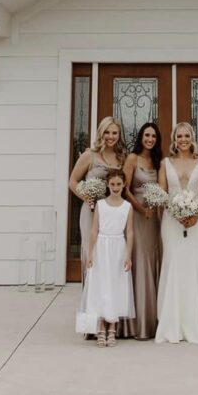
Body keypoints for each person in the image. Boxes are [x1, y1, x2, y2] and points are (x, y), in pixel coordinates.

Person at [154, 122, 198, 344]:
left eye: (186, 135)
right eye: (179, 136)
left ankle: (197, 323)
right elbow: (163, 193)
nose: (183, 139)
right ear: (173, 139)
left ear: (192, 138)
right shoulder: (165, 163)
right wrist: (177, 212)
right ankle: (171, 323)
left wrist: (194, 215)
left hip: (196, 222)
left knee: (195, 265)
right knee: (173, 264)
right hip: (171, 222)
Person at [76, 169, 135, 347]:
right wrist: (91, 253)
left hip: (118, 247)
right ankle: (101, 326)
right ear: (107, 185)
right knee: (101, 285)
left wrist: (128, 255)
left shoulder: (127, 206)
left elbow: (130, 232)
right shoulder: (100, 205)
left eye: (119, 184)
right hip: (102, 247)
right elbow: (94, 230)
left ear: (124, 184)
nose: (115, 187)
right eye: (112, 184)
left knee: (115, 285)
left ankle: (112, 329)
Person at [68, 116, 126, 282]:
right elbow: (72, 182)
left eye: (114, 133)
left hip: (113, 213)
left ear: (119, 135)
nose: (111, 136)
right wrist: (87, 197)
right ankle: (89, 297)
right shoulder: (90, 155)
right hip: (92, 211)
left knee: (109, 254)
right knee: (92, 251)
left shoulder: (121, 157)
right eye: (107, 132)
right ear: (101, 133)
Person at [123, 122, 163, 339]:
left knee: (151, 260)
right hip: (136, 214)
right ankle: (134, 323)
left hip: (154, 216)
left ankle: (150, 319)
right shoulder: (132, 158)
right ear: (141, 137)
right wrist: (141, 209)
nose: (150, 139)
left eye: (154, 136)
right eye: (147, 135)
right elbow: (125, 189)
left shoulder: (158, 161)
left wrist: (154, 210)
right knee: (138, 260)